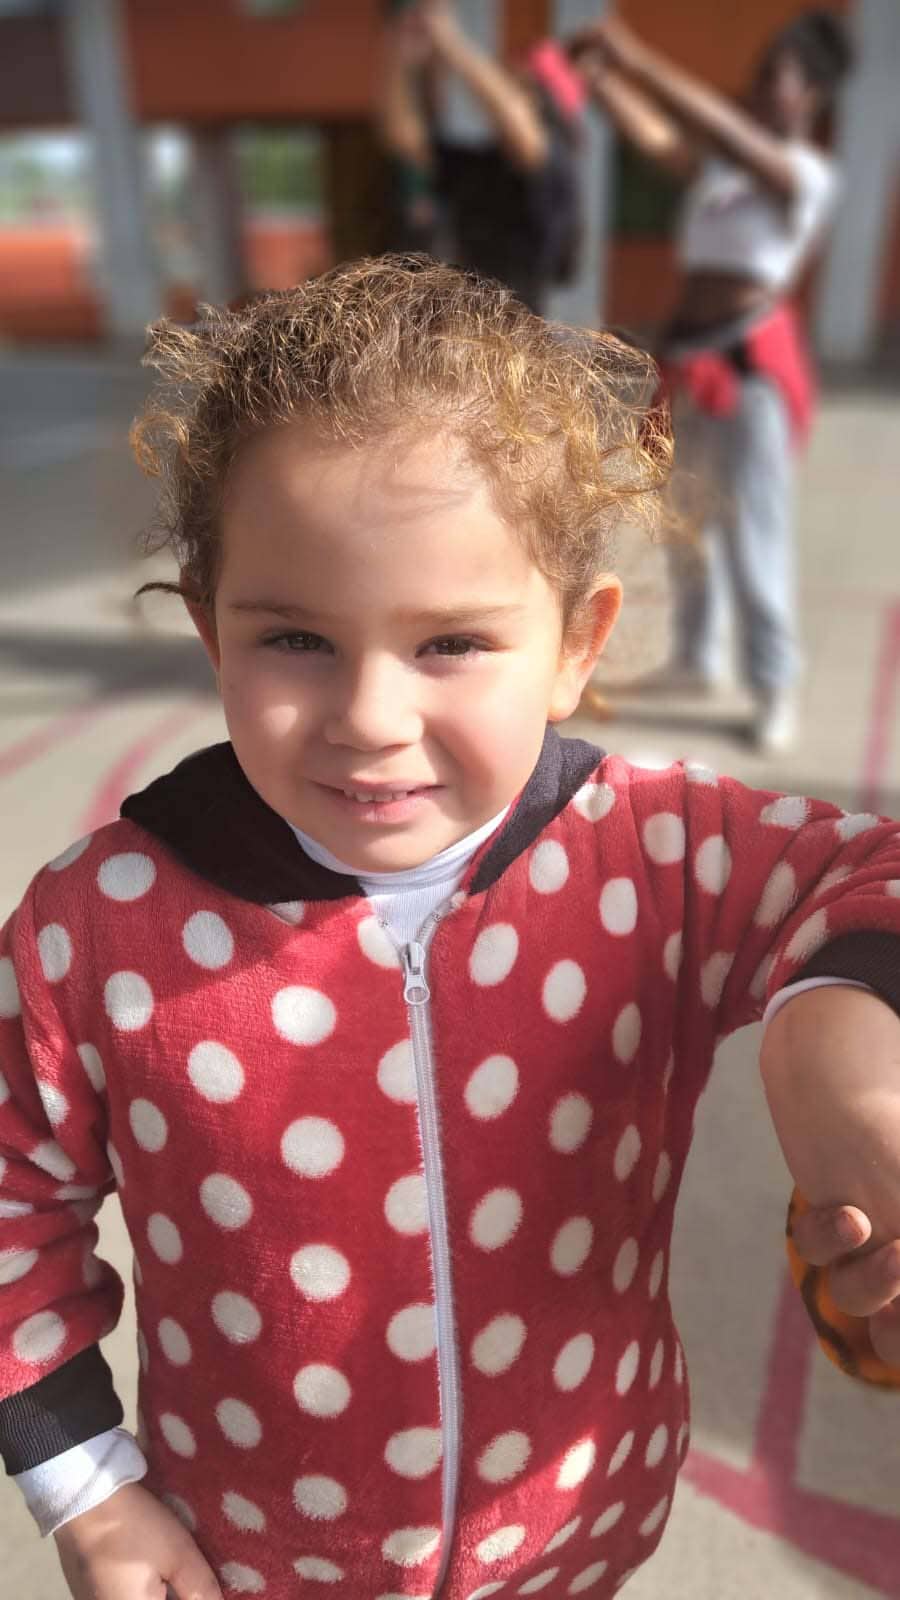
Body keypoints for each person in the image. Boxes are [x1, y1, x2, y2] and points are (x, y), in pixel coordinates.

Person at [1, 256, 900, 1600]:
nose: (371, 718)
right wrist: (87, 1488)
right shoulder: (97, 930)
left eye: (452, 644)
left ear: (576, 644)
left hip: (581, 1534)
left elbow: (873, 871)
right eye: (295, 639)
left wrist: (836, 1029)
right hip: (250, 1559)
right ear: (209, 630)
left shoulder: (656, 855)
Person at [570, 10, 853, 751]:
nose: (760, 88)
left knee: (755, 529)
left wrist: (635, 58)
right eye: (762, 74)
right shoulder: (723, 176)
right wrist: (601, 81)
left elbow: (719, 130)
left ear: (813, 94)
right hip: (687, 361)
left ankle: (774, 683)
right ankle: (698, 658)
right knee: (689, 518)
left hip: (749, 365)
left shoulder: (806, 176)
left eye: (778, 77)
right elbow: (660, 140)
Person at [379, 0, 586, 313]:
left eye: (515, 87)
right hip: (469, 322)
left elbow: (518, 126)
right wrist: (399, 53)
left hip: (515, 329)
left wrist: (449, 40)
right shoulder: (486, 164)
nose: (500, 89)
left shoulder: (554, 162)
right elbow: (405, 139)